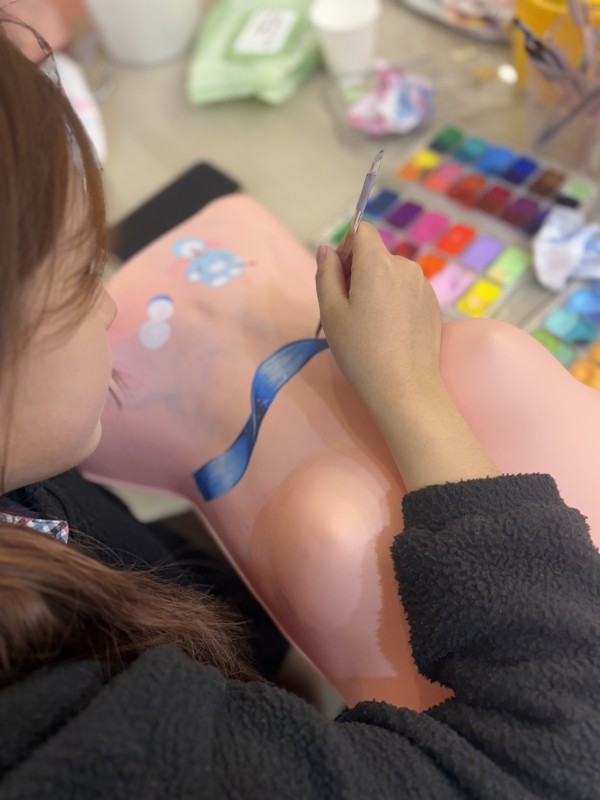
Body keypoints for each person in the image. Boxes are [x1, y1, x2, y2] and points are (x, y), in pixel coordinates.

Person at [0, 22, 598, 800]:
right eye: (82, 277)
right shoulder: (101, 749)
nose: (110, 306)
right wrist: (408, 391)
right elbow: (563, 754)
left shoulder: (34, 496)